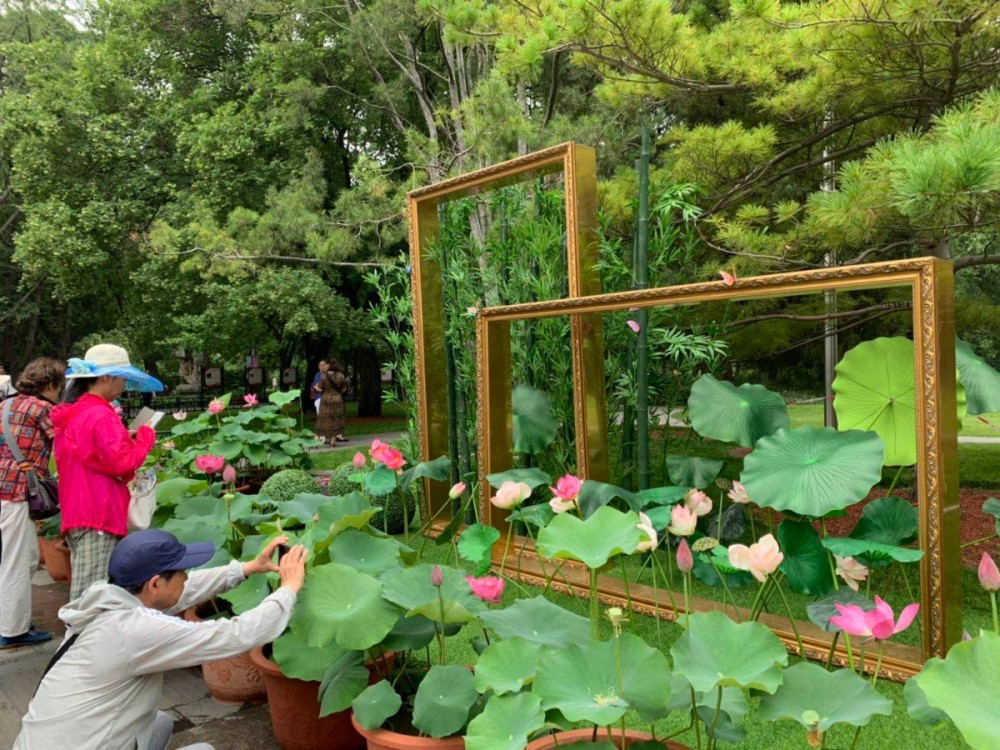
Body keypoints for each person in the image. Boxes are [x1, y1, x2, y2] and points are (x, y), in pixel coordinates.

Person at [14, 530, 307, 750]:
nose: (187, 576)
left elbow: (180, 592)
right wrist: (289, 588)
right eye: (182, 571)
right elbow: (234, 634)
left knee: (158, 723)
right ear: (154, 583)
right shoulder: (134, 630)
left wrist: (245, 569)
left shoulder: (108, 598)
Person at [52, 344, 164, 599]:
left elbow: (90, 453)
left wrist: (124, 436)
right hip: (98, 511)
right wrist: (145, 438)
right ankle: (81, 639)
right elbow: (122, 463)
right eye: (122, 378)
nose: (123, 385)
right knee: (91, 596)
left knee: (89, 587)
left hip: (78, 507)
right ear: (106, 378)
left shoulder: (76, 411)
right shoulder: (101, 414)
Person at [0, 358, 65, 649]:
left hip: (3, 489)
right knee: (17, 562)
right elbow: (68, 442)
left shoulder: (6, 405)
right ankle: (12, 632)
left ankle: (11, 621)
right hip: (15, 495)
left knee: (21, 557)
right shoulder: (43, 409)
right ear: (50, 384)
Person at [315, 359, 348, 444]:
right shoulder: (341, 375)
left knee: (322, 419)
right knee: (335, 419)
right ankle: (333, 442)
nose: (324, 366)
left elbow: (320, 388)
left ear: (329, 366)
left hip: (326, 399)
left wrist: (316, 388)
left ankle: (316, 440)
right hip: (337, 400)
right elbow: (344, 388)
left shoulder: (323, 376)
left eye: (326, 364)